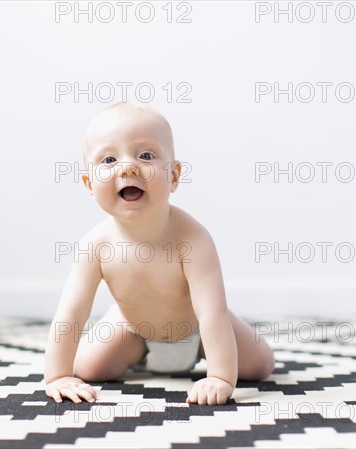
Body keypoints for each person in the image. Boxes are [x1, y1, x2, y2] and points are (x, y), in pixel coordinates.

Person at [44, 102, 274, 406]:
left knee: (261, 366)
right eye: (109, 159)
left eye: (146, 155)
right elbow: (71, 313)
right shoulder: (94, 245)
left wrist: (220, 377)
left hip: (199, 328)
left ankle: (204, 355)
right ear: (88, 183)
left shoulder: (193, 239)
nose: (127, 167)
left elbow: (211, 312)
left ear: (174, 175)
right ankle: (139, 351)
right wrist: (58, 375)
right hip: (134, 327)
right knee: (88, 368)